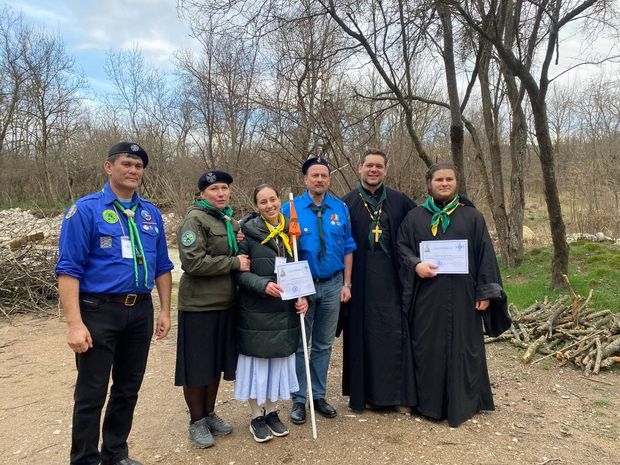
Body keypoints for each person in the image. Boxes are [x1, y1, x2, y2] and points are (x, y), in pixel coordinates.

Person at [56, 141, 174, 465]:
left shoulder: (150, 213)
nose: (134, 170)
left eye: (138, 166)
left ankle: (115, 454)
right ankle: (84, 460)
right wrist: (74, 323)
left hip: (140, 311)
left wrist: (164, 309)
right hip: (98, 311)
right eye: (127, 164)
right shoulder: (85, 210)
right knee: (91, 393)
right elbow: (68, 269)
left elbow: (163, 266)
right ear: (109, 167)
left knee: (127, 388)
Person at [397, 162, 511, 427]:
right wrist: (416, 264)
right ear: (429, 183)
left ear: (456, 183)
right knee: (428, 348)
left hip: (464, 296)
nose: (445, 183)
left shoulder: (472, 217)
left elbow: (486, 257)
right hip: (428, 297)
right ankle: (428, 403)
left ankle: (466, 403)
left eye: (449, 179)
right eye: (439, 180)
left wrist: (485, 292)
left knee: (464, 348)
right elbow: (401, 248)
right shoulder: (415, 218)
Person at [174, 169, 250, 449]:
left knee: (215, 365)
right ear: (202, 193)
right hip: (199, 306)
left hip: (225, 303)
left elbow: (231, 249)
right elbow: (192, 263)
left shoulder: (227, 219)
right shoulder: (194, 219)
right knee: (197, 367)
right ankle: (196, 421)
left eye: (225, 189)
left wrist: (239, 244)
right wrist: (234, 262)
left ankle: (209, 414)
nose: (221, 193)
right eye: (215, 189)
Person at [281, 156, 357, 425]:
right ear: (305, 179)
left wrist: (347, 284)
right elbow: (280, 250)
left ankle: (319, 394)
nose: (319, 179)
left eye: (324, 175)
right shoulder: (290, 209)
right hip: (303, 285)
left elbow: (348, 248)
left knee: (324, 345)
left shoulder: (340, 208)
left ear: (329, 179)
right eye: (314, 175)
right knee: (302, 344)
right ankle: (299, 399)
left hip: (334, 283)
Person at [340, 149, 417, 413]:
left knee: (395, 334)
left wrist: (461, 202)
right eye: (369, 165)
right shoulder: (345, 203)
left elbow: (424, 221)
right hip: (359, 279)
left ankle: (396, 395)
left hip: (392, 278)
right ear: (359, 168)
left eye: (379, 166)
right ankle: (365, 395)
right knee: (363, 335)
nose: (374, 170)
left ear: (385, 170)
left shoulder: (399, 201)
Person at [235, 184, 309, 442]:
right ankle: (256, 415)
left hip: (284, 310)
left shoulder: (291, 231)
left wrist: (303, 297)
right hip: (257, 311)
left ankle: (272, 411)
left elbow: (299, 267)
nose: (269, 205)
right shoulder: (247, 233)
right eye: (263, 202)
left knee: (277, 364)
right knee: (258, 365)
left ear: (280, 201)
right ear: (257, 206)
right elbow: (240, 273)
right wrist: (262, 285)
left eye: (273, 199)